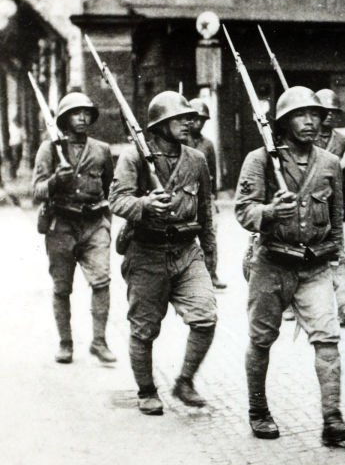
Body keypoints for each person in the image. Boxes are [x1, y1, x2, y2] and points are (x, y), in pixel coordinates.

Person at [235, 86, 345, 446]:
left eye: (315, 115)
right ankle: (258, 410)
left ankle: (332, 420)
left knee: (328, 340)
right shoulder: (260, 160)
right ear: (284, 122)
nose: (310, 122)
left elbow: (337, 224)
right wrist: (270, 213)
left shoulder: (330, 164)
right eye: (300, 115)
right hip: (272, 263)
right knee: (261, 339)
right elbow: (244, 210)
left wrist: (338, 270)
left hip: (314, 266)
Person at [109, 92, 217, 415]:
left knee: (206, 316)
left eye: (190, 118)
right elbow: (117, 201)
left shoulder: (196, 159)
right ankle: (146, 391)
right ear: (160, 125)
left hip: (186, 251)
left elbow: (206, 212)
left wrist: (210, 258)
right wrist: (144, 204)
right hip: (147, 250)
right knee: (143, 329)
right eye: (180, 119)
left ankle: (184, 381)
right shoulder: (134, 157)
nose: (189, 122)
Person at [32, 92, 115, 364]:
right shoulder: (50, 149)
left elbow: (110, 186)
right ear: (64, 118)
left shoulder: (101, 149)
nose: (82, 117)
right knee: (61, 287)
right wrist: (56, 180)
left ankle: (99, 341)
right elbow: (37, 191)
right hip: (62, 224)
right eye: (76, 113)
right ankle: (65, 343)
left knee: (102, 281)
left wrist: (106, 222)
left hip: (93, 224)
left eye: (87, 112)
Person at [314, 88, 345, 327]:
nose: (330, 117)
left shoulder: (340, 141)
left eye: (335, 112)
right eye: (326, 112)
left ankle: (343, 306)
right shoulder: (303, 137)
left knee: (338, 253)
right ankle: (290, 304)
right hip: (307, 205)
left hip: (331, 201)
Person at [186, 97, 227, 289]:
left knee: (209, 233)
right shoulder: (180, 142)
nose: (198, 123)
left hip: (204, 194)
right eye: (194, 119)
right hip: (185, 194)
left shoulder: (208, 144)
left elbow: (212, 170)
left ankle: (211, 273)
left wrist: (214, 197)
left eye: (202, 120)